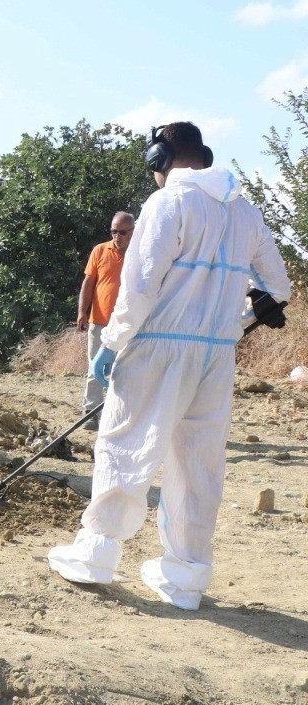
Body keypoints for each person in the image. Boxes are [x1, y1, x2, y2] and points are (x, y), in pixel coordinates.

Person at [47, 122, 292, 610]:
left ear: (160, 159)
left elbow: (140, 286)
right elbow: (278, 287)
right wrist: (242, 318)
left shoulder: (168, 203)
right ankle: (185, 578)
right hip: (215, 356)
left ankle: (96, 555)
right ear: (205, 155)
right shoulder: (245, 211)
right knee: (198, 464)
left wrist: (112, 343)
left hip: (158, 346)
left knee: (125, 445)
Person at [77, 212, 135, 429]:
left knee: (124, 371)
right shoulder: (99, 250)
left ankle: (119, 415)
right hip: (100, 321)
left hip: (128, 324)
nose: (117, 236)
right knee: (96, 368)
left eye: (123, 232)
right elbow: (88, 282)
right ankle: (90, 412)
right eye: (113, 231)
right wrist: (82, 312)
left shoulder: (140, 253)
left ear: (133, 232)